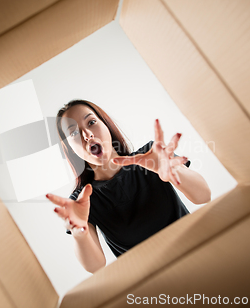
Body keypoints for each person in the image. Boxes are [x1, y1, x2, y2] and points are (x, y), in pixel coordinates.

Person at [46, 100, 211, 273]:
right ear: (69, 148)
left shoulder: (151, 156)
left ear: (106, 125)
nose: (87, 134)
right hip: (151, 286)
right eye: (73, 133)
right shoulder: (82, 200)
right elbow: (95, 266)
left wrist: (173, 173)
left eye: (91, 122)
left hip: (197, 259)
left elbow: (204, 196)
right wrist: (80, 231)